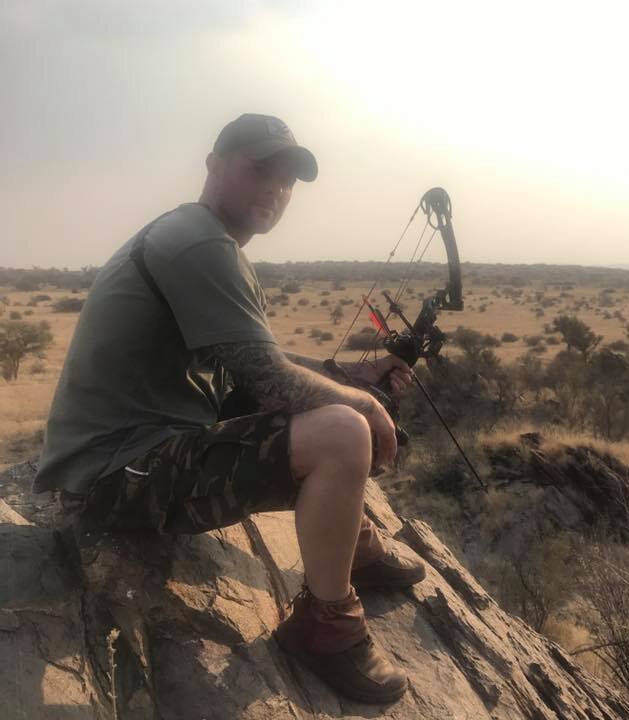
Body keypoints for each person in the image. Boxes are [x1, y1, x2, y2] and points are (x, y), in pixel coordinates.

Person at [34, 113, 424, 704]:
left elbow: (251, 359)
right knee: (342, 431)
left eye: (288, 180)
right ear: (214, 166)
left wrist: (352, 374)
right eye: (259, 169)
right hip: (113, 478)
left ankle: (352, 542)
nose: (275, 188)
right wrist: (367, 406)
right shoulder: (199, 243)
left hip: (136, 456)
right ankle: (328, 626)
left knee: (328, 406)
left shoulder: (200, 236)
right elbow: (269, 382)